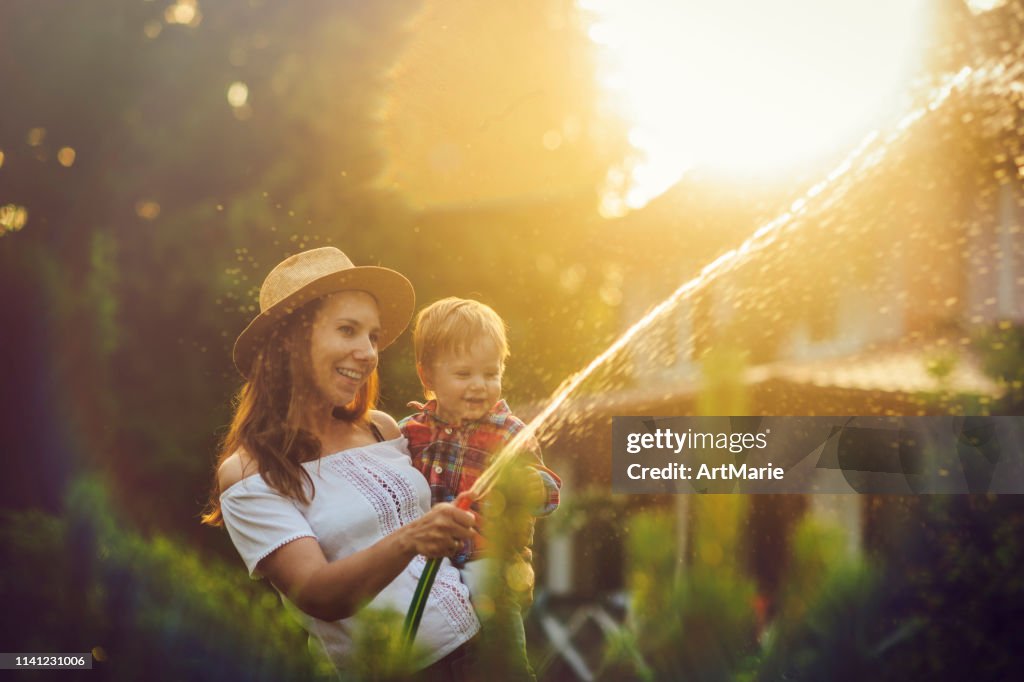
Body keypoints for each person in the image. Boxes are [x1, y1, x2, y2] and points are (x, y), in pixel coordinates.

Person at [202, 247, 483, 679]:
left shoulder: (383, 429)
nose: (369, 353)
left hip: (479, 651)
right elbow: (317, 595)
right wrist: (413, 538)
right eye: (348, 330)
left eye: (372, 337)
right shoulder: (248, 474)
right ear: (289, 344)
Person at [399, 297, 562, 681]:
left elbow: (549, 493)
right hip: (428, 564)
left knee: (495, 630)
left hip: (488, 561)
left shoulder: (510, 432)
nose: (479, 386)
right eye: (464, 374)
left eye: (491, 373)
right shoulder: (410, 432)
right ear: (428, 378)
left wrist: (532, 487)